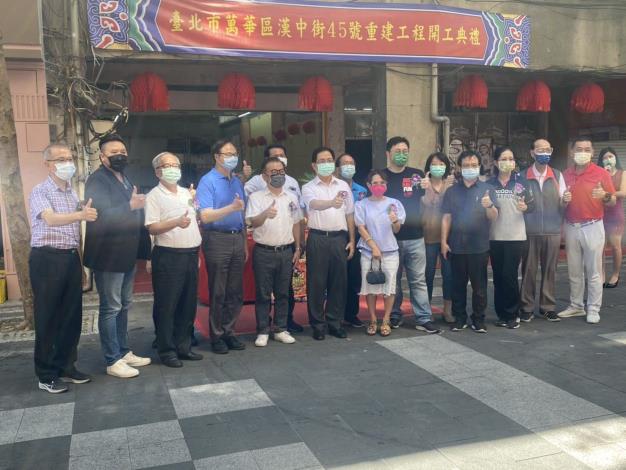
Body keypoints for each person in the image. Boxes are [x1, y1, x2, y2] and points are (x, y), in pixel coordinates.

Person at [29, 144, 96, 393]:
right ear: (48, 164)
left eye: (70, 158)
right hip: (46, 259)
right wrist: (80, 215)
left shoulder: (71, 193)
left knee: (71, 316)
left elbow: (74, 234)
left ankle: (67, 366)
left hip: (69, 258)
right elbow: (49, 219)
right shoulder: (41, 191)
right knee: (48, 317)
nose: (68, 163)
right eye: (61, 159)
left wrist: (80, 265)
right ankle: (46, 374)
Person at [84, 134, 152, 378]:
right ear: (102, 157)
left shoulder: (125, 178)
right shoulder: (97, 181)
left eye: (122, 150)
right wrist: (130, 207)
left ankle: (124, 351)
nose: (120, 155)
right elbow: (99, 216)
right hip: (108, 255)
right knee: (111, 307)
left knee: (124, 305)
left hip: (127, 253)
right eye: (114, 152)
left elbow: (135, 213)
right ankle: (112, 359)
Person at [145, 152, 203, 368]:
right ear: (157, 171)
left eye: (175, 165)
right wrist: (175, 222)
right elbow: (152, 227)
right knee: (167, 305)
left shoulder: (186, 192)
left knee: (188, 304)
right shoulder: (154, 196)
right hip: (168, 255)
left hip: (190, 253)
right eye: (166, 165)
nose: (172, 169)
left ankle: (184, 346)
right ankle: (166, 349)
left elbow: (194, 219)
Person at [382, 136, 440, 334]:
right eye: (397, 151)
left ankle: (423, 318)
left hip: (415, 237)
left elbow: (430, 202)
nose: (402, 155)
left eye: (405, 151)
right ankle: (394, 314)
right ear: (388, 154)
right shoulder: (381, 177)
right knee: (393, 280)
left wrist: (428, 188)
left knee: (418, 279)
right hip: (390, 239)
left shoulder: (417, 175)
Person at [245, 144, 304, 333]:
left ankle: (280, 328)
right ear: (264, 175)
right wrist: (264, 215)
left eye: (280, 171)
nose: (277, 175)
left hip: (286, 251)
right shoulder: (256, 197)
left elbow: (296, 222)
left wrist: (297, 248)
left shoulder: (291, 198)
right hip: (264, 251)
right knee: (262, 294)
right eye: (273, 172)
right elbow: (252, 222)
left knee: (283, 293)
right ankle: (262, 329)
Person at [197, 139, 248, 354]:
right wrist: (230, 208)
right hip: (216, 238)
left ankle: (230, 332)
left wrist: (244, 243)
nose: (232, 157)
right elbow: (205, 216)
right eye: (228, 153)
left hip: (237, 237)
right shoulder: (207, 181)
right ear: (217, 157)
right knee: (218, 290)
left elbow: (241, 215)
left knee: (235, 291)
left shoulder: (236, 181)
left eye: (234, 153)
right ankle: (216, 335)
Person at [559, 138, 616, 324]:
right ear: (571, 151)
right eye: (579, 149)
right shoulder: (565, 175)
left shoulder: (601, 173)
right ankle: (576, 306)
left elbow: (613, 200)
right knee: (574, 270)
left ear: (592, 152)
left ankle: (593, 308)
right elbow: (560, 203)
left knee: (594, 270)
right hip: (571, 225)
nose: (582, 152)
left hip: (592, 226)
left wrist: (604, 195)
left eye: (586, 149)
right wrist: (564, 201)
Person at [441, 150, 498, 333]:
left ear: (479, 166)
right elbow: (446, 218)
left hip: (479, 246)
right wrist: (443, 241)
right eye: (466, 165)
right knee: (457, 285)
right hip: (456, 245)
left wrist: (489, 205)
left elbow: (494, 216)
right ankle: (459, 318)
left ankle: (478, 319)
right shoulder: (452, 191)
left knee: (479, 286)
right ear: (459, 167)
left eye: (474, 165)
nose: (470, 168)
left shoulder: (487, 189)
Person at [302, 147, 356, 340]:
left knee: (338, 283)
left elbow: (349, 213)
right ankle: (317, 324)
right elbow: (313, 204)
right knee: (316, 283)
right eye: (322, 161)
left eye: (329, 160)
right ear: (314, 165)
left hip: (339, 239)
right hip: (317, 238)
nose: (326, 163)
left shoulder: (343, 185)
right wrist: (331, 203)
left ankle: (335, 322)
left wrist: (351, 239)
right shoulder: (308, 187)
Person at [519, 139, 567, 322]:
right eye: (540, 149)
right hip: (529, 231)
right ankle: (526, 307)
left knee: (550, 271)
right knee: (528, 270)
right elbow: (518, 202)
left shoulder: (557, 175)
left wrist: (566, 200)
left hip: (552, 231)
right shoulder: (522, 176)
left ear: (552, 150)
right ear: (532, 153)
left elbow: (563, 202)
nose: (544, 152)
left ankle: (547, 307)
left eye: (547, 149)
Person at [488, 147, 535, 329]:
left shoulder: (522, 183)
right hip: (495, 236)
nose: (507, 161)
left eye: (511, 158)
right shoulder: (490, 184)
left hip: (516, 237)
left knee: (509, 275)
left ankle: (513, 314)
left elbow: (532, 206)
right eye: (503, 158)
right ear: (495, 162)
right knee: (498, 277)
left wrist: (525, 207)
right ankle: (501, 314)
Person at [355, 170, 405, 336]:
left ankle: (386, 320)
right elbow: (360, 227)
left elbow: (397, 229)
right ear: (368, 185)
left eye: (382, 183)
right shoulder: (362, 204)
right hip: (369, 251)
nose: (378, 186)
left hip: (390, 251)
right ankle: (373, 319)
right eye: (374, 183)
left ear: (386, 185)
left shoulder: (394, 203)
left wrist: (395, 220)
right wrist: (373, 246)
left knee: (389, 287)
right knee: (370, 287)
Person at [421, 152, 456, 323]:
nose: (438, 167)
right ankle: (425, 310)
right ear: (428, 167)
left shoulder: (451, 185)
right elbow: (428, 204)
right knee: (427, 275)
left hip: (447, 238)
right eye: (434, 164)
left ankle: (447, 310)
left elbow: (448, 209)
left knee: (449, 275)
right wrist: (427, 189)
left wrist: (447, 188)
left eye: (441, 164)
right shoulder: (422, 185)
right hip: (427, 238)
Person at [336, 153, 368, 328]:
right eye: (345, 163)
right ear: (338, 168)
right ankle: (336, 314)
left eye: (352, 163)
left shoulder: (361, 190)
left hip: (357, 234)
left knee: (354, 277)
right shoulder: (334, 188)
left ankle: (351, 314)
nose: (349, 166)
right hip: (338, 234)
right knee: (337, 278)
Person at [597, 147, 626, 288]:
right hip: (600, 213)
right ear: (601, 160)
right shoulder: (599, 173)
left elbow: (623, 192)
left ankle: (615, 274)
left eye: (611, 156)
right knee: (600, 247)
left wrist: (607, 191)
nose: (608, 159)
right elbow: (595, 191)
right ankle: (601, 274)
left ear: (615, 158)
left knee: (615, 246)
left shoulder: (622, 173)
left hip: (616, 215)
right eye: (605, 157)